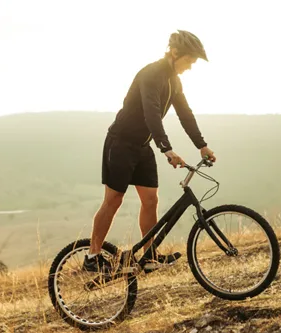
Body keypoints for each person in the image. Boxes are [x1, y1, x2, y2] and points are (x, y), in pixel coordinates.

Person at [83, 30, 216, 272]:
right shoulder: (151, 74)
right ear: (175, 53)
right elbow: (151, 113)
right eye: (189, 61)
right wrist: (166, 148)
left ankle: (149, 257)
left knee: (151, 200)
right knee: (113, 200)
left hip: (142, 147)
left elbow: (185, 114)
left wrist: (201, 145)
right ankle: (92, 258)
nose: (190, 67)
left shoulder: (174, 81)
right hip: (121, 143)